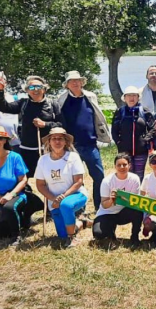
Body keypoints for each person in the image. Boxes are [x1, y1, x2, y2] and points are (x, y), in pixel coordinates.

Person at [57, 70, 112, 211]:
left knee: (99, 176)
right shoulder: (61, 100)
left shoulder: (90, 97)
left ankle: (99, 206)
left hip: (90, 144)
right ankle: (78, 208)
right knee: (73, 180)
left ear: (82, 82)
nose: (75, 83)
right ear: (67, 84)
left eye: (78, 80)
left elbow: (97, 117)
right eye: (72, 81)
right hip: (70, 147)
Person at [0, 75, 62, 179]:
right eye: (31, 88)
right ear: (27, 91)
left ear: (44, 89)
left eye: (38, 87)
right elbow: (3, 107)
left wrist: (45, 124)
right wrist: (0, 90)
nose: (35, 90)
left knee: (50, 178)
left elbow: (62, 124)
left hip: (48, 149)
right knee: (23, 179)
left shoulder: (52, 104)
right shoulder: (23, 103)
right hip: (26, 149)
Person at [34, 127, 88, 248]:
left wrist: (63, 197)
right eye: (54, 139)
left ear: (65, 142)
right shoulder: (43, 160)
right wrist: (53, 199)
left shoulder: (73, 157)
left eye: (60, 139)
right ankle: (81, 223)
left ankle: (72, 238)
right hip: (54, 201)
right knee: (61, 234)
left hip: (75, 195)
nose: (57, 141)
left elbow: (78, 182)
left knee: (66, 206)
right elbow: (40, 185)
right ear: (49, 142)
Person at [92, 153, 143, 248]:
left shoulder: (134, 179)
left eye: (125, 164)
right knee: (98, 234)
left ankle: (135, 237)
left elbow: (134, 202)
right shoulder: (107, 181)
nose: (122, 167)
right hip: (107, 213)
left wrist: (121, 198)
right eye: (119, 165)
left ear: (129, 165)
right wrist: (111, 200)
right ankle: (110, 233)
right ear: (115, 166)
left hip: (124, 211)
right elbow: (104, 205)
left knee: (138, 209)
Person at [111, 86, 155, 180]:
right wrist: (119, 142)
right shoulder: (120, 112)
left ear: (138, 97)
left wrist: (145, 140)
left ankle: (138, 194)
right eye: (129, 95)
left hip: (141, 151)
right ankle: (126, 194)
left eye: (134, 95)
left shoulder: (145, 111)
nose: (132, 98)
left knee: (139, 176)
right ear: (125, 98)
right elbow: (114, 130)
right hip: (124, 152)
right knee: (126, 175)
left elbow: (153, 128)